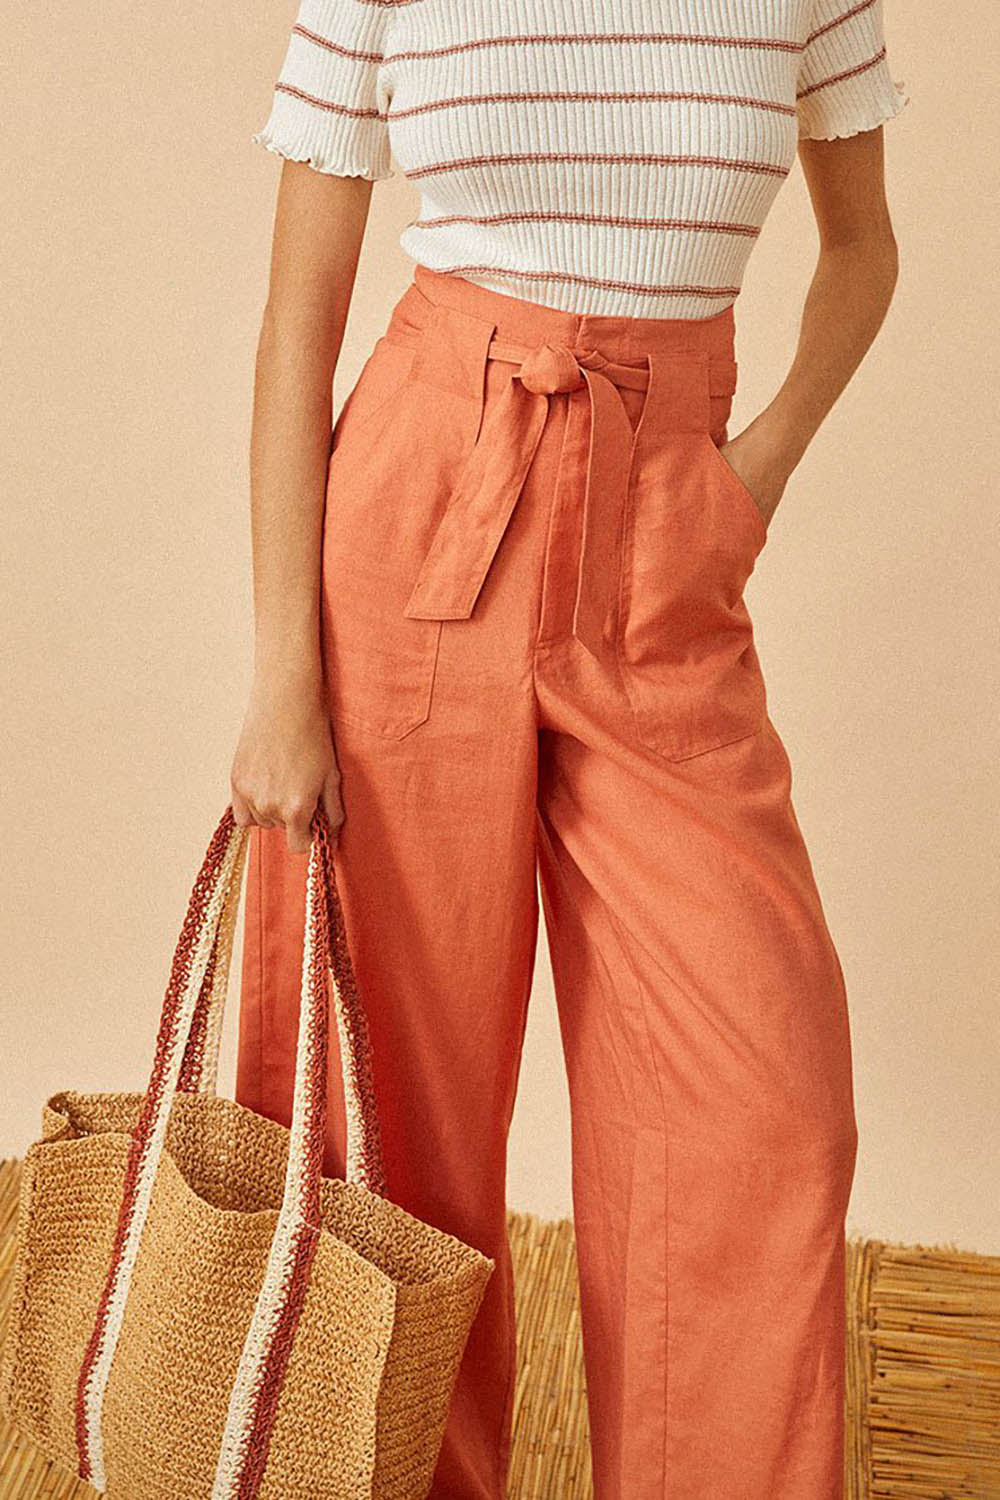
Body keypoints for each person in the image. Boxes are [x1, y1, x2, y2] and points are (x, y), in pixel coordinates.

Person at [229, 3, 908, 1496]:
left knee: (765, 1103)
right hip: (421, 513)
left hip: (667, 533)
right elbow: (301, 317)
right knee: (393, 1115)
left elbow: (864, 253)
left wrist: (750, 477)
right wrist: (284, 676)